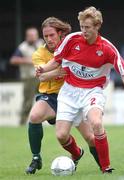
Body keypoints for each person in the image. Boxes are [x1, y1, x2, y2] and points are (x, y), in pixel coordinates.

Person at [36, 7, 124, 174]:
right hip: (69, 92)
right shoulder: (72, 40)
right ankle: (77, 153)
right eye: (81, 26)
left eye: (87, 27)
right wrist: (43, 69)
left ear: (97, 26)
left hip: (92, 92)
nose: (83, 31)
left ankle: (106, 167)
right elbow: (56, 60)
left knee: (96, 122)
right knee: (61, 135)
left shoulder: (107, 48)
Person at [26, 17, 100, 174]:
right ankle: (36, 158)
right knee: (34, 116)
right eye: (45, 36)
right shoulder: (39, 54)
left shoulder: (72, 46)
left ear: (60, 34)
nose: (49, 39)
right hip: (51, 96)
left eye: (52, 35)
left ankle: (103, 168)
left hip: (74, 95)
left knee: (91, 138)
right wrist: (58, 71)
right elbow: (42, 77)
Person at [10, 27, 44, 125]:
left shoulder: (41, 43)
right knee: (28, 102)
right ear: (27, 36)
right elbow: (13, 60)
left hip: (42, 76)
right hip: (29, 78)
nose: (33, 37)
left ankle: (54, 122)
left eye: (35, 35)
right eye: (31, 35)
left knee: (48, 98)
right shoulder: (22, 47)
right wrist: (28, 60)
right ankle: (22, 123)